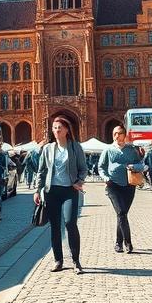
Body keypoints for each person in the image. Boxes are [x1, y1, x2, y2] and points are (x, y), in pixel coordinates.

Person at [34, 116, 88, 273]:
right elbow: (41, 171)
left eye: (59, 127)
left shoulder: (75, 147)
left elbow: (83, 168)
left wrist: (79, 181)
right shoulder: (48, 149)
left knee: (70, 223)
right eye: (54, 128)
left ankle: (76, 261)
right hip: (52, 191)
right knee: (55, 227)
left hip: (70, 191)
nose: (56, 130)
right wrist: (38, 190)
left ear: (66, 130)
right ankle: (58, 260)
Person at [98, 125, 145, 253]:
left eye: (119, 133)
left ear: (124, 135)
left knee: (122, 214)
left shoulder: (131, 150)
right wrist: (105, 178)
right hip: (113, 185)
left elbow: (141, 165)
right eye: (114, 134)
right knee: (121, 213)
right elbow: (101, 167)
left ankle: (118, 242)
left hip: (129, 185)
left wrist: (133, 166)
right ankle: (128, 242)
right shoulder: (108, 150)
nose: (116, 136)